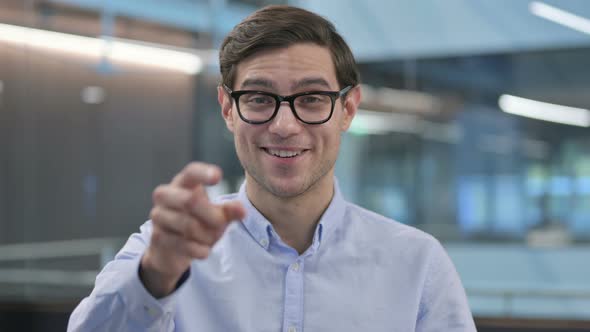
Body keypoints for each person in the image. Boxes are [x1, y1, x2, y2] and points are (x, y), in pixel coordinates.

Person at [68, 5, 476, 332]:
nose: (284, 126)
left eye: (312, 98)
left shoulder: (417, 263)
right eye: (260, 98)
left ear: (347, 109)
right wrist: (155, 278)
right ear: (228, 109)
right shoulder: (167, 251)